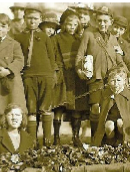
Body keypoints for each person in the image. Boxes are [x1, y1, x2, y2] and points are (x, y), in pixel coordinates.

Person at [75, 6, 130, 143]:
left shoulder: (113, 38)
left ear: (111, 21)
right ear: (95, 21)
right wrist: (79, 70)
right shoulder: (89, 34)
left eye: (105, 21)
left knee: (110, 109)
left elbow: (119, 61)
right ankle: (95, 139)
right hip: (95, 78)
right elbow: (79, 55)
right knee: (95, 108)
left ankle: (110, 140)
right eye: (99, 21)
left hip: (112, 81)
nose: (102, 24)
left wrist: (128, 76)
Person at [14, 3, 58, 147]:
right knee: (31, 109)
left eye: (35, 18)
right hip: (28, 77)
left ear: (40, 19)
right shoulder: (19, 37)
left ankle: (47, 142)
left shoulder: (45, 37)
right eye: (29, 18)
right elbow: (18, 57)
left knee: (46, 108)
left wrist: (52, 75)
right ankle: (32, 142)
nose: (32, 21)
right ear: (24, 19)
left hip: (46, 76)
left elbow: (51, 58)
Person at [52, 8, 88, 147]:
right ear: (64, 25)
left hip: (76, 75)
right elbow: (54, 55)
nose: (71, 28)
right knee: (59, 106)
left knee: (76, 106)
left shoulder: (79, 39)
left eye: (74, 25)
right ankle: (56, 137)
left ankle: (75, 136)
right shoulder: (56, 39)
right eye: (69, 25)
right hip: (62, 74)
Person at [93, 66, 130, 146]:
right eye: (112, 81)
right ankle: (110, 142)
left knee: (120, 123)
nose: (116, 84)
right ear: (108, 82)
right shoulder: (106, 94)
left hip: (124, 119)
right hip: (110, 118)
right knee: (109, 127)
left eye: (118, 80)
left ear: (124, 81)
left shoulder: (128, 95)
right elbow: (101, 107)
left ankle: (123, 141)